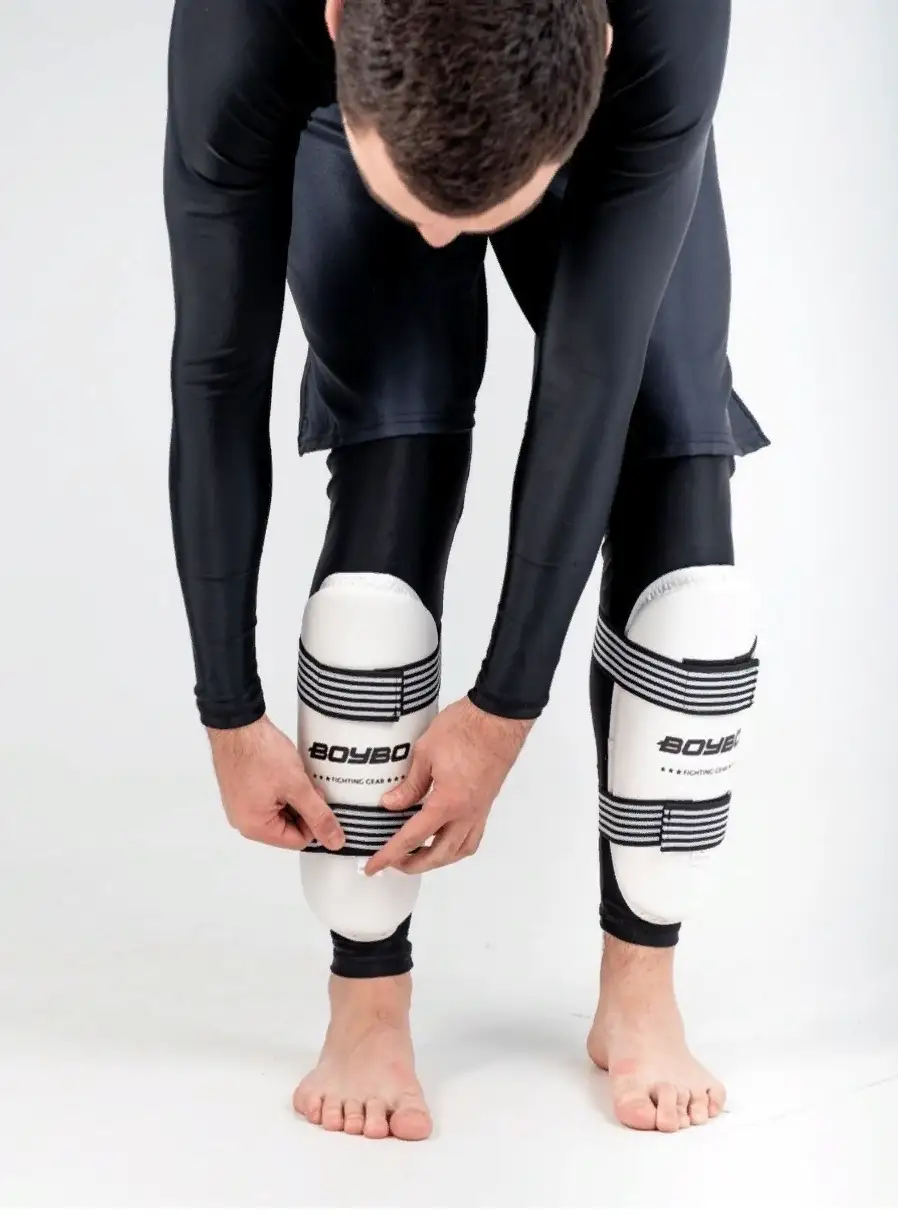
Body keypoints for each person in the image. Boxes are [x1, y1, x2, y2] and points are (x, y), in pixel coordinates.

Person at [163, 0, 767, 1140]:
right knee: (390, 492)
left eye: (481, 216)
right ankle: (366, 999)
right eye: (421, 210)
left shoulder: (662, 28)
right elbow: (216, 370)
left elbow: (591, 379)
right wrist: (227, 711)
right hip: (365, 99)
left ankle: (640, 983)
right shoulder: (247, 29)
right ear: (337, 22)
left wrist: (503, 708)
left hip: (595, 112)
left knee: (684, 505)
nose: (444, 245)